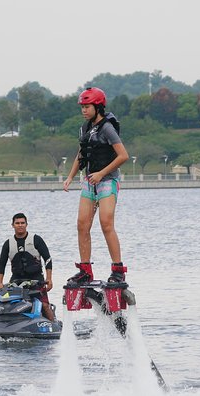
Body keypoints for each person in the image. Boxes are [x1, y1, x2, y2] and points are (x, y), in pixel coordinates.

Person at [63, 87, 129, 285]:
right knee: (82, 225)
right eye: (82, 107)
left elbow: (123, 156)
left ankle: (117, 270)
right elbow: (81, 154)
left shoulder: (107, 128)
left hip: (107, 181)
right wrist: (70, 177)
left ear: (98, 107)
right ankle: (85, 270)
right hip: (89, 182)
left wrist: (101, 174)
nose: (83, 110)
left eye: (87, 106)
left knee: (106, 224)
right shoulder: (85, 128)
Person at [0, 213, 56, 321]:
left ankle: (55, 326)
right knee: (6, 304)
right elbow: (1, 264)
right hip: (16, 280)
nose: (20, 225)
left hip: (37, 279)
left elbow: (48, 259)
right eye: (17, 223)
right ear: (12, 225)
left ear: (26, 224)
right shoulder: (8, 243)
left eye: (22, 223)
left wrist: (49, 279)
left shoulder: (36, 239)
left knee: (45, 305)